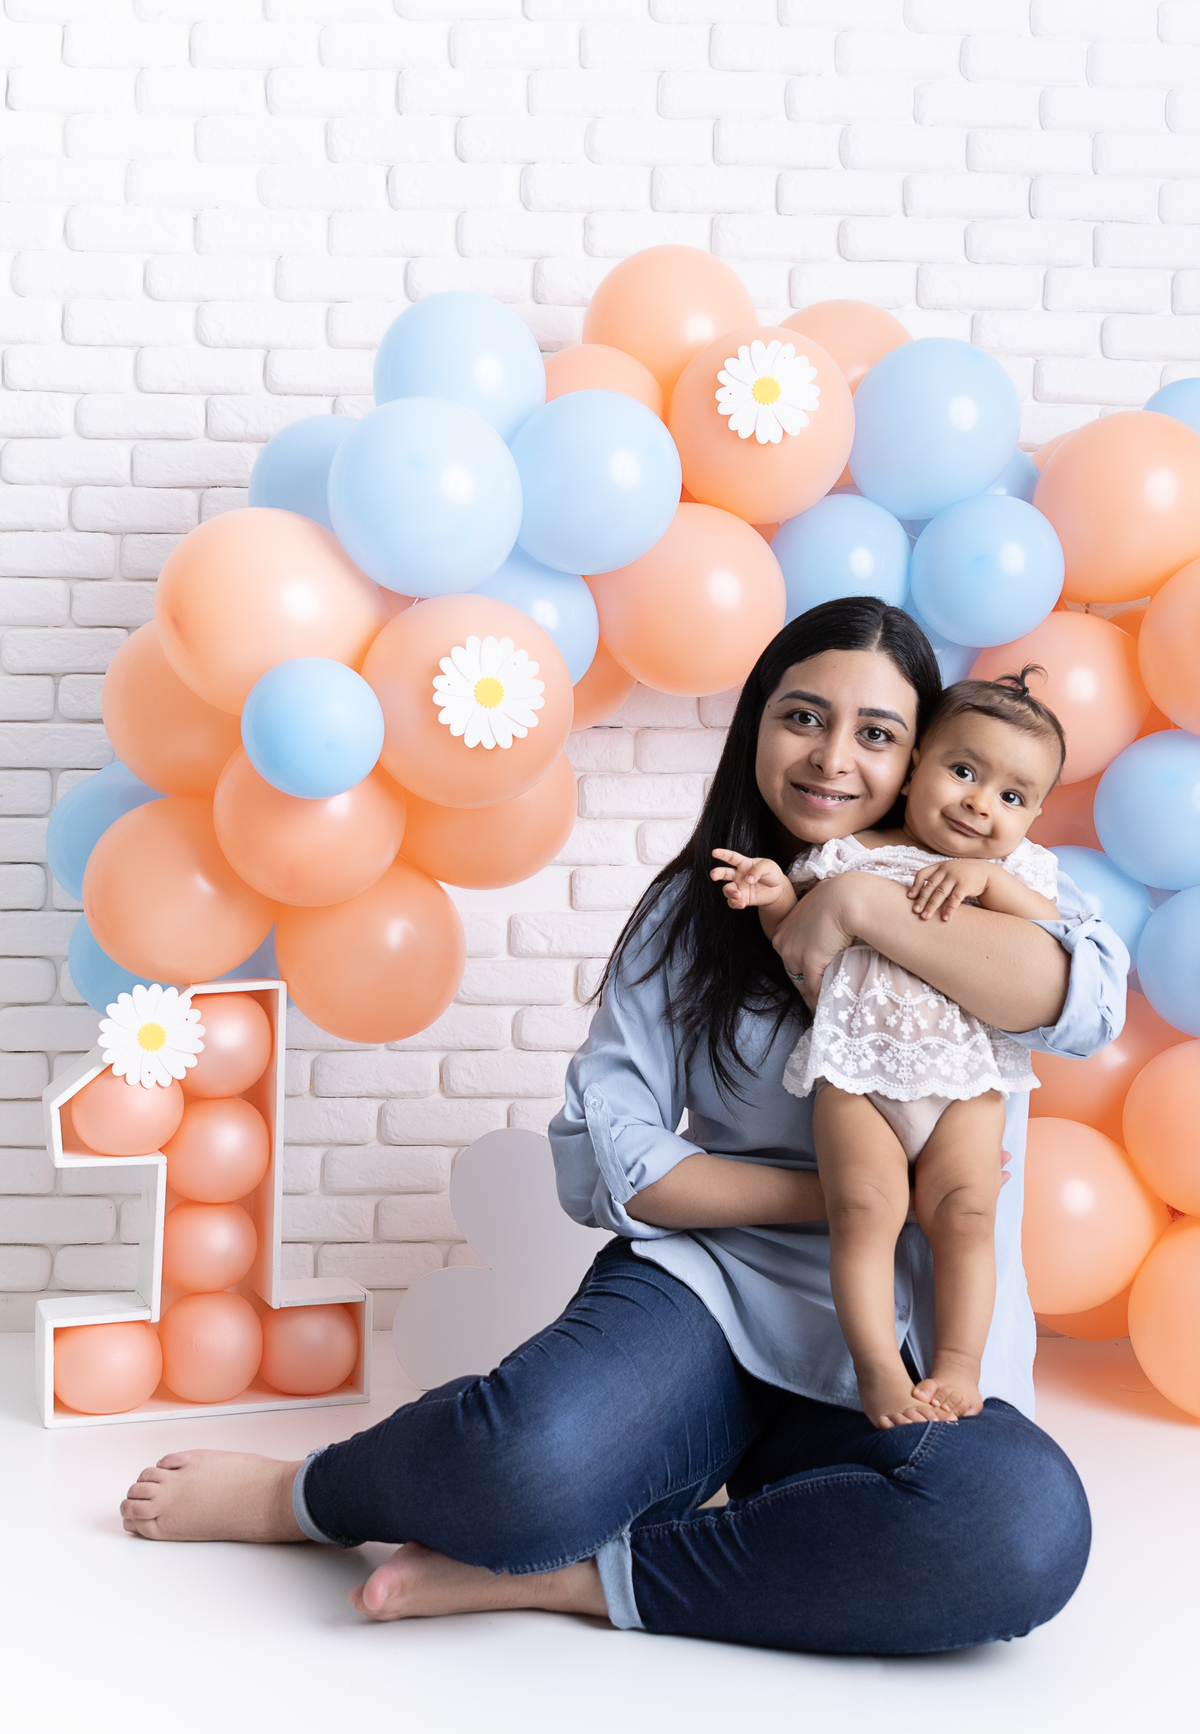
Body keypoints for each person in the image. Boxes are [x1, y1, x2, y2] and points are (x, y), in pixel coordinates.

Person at [119, 598, 1127, 1657]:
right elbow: (612, 1161)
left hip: (905, 1350)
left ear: (918, 754)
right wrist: (834, 1196)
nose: (834, 758)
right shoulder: (700, 912)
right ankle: (308, 1495)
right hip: (712, 1298)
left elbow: (1079, 1001)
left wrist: (864, 909)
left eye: (876, 733)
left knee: (1020, 1531)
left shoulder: (989, 902)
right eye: (801, 716)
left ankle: (579, 1580)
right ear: (755, 728)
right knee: (521, 1466)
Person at [711, 669, 1067, 1430]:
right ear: (912, 774)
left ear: (1034, 816)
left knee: (968, 1213)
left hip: (966, 1081)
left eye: (1010, 797)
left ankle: (959, 1367)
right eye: (963, 771)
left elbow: (1050, 943)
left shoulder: (1014, 874)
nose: (979, 802)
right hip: (857, 1074)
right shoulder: (849, 855)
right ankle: (876, 1369)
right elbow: (795, 947)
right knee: (862, 1209)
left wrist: (984, 882)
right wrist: (771, 892)